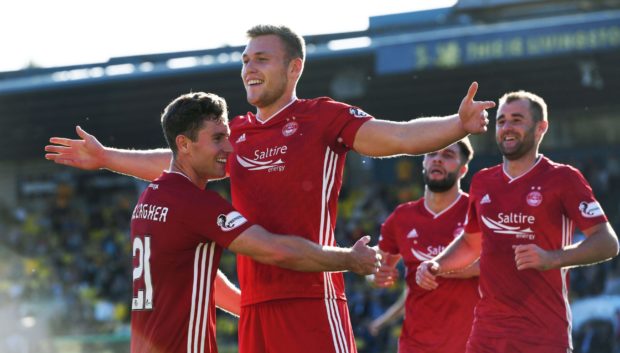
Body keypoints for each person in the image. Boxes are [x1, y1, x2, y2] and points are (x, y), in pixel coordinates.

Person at [45, 25, 495, 353]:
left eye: (261, 58)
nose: (248, 68)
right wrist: (106, 158)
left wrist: (455, 125)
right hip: (254, 308)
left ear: (294, 67)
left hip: (311, 297)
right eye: (244, 60)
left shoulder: (323, 117)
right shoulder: (232, 134)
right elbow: (175, 164)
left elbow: (396, 136)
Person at [123, 91, 380, 353]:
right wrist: (350, 259)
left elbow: (197, 276)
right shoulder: (195, 204)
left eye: (228, 136)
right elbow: (274, 250)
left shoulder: (149, 200)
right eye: (217, 138)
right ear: (184, 144)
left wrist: (251, 310)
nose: (230, 148)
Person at [416, 90, 619, 353]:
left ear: (540, 128)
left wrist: (552, 258)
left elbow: (607, 243)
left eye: (517, 120)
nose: (507, 128)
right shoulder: (482, 181)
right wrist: (436, 263)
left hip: (542, 337)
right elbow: (470, 243)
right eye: (501, 121)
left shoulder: (563, 179)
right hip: (486, 337)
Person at [369, 138, 480, 353]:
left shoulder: (478, 212)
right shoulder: (401, 217)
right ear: (423, 163)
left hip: (469, 343)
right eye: (432, 154)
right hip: (416, 345)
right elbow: (379, 266)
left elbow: (497, 265)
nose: (437, 159)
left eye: (448, 155)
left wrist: (440, 267)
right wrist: (376, 274)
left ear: (463, 169)